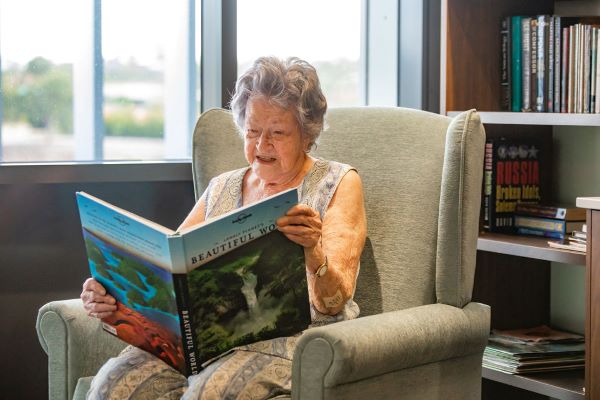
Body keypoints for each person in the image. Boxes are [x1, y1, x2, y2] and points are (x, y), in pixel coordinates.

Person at [80, 56, 367, 400]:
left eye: (277, 133)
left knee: (210, 393)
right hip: (209, 340)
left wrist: (313, 250)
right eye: (252, 132)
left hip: (290, 342)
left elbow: (335, 301)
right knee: (111, 386)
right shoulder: (221, 188)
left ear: (307, 135)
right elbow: (170, 270)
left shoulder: (338, 183)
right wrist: (112, 294)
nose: (261, 146)